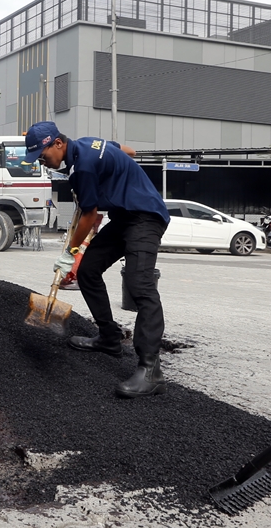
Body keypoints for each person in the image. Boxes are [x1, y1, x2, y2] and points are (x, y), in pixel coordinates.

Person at [22, 121, 171, 398]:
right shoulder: (88, 144)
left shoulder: (84, 168)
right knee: (89, 270)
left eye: (43, 156)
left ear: (57, 143)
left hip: (146, 217)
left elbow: (89, 217)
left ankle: (151, 370)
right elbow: (130, 152)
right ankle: (108, 338)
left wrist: (69, 254)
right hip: (124, 217)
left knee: (140, 286)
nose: (44, 163)